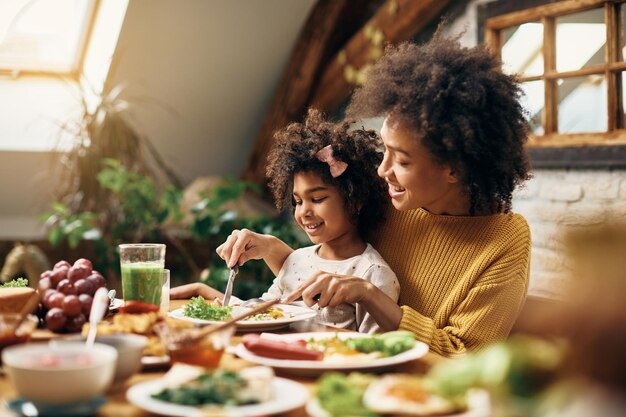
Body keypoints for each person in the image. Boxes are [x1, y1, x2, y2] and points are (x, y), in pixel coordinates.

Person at [218, 34, 532, 356]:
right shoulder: (390, 198)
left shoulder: (503, 242)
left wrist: (370, 295)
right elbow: (335, 271)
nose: (383, 170)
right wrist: (271, 249)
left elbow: (462, 357)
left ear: (454, 168)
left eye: (403, 160)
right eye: (385, 150)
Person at [172, 109, 399, 333]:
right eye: (298, 201)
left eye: (317, 199)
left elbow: (377, 349)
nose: (304, 212)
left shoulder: (371, 272)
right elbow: (261, 315)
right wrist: (205, 292)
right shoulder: (296, 259)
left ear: (355, 200)